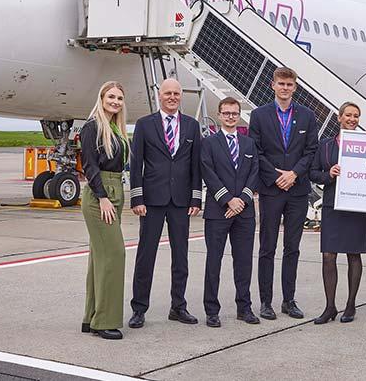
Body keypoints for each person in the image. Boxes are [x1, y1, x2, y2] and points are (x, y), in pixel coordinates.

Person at [128, 78, 202, 328]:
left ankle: (178, 307)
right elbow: (136, 164)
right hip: (152, 200)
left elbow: (195, 166)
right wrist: (137, 197)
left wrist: (196, 197)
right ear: (159, 95)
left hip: (181, 201)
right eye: (168, 93)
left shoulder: (192, 126)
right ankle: (139, 308)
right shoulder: (145, 124)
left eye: (176, 93)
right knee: (145, 255)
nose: (172, 97)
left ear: (181, 96)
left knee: (181, 256)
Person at [249, 67, 319, 320]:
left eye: (289, 84)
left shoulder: (307, 116)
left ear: (295, 87)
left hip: (297, 190)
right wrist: (277, 176)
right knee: (267, 247)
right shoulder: (259, 115)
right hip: (271, 189)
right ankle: (266, 302)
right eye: (281, 83)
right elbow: (256, 151)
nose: (285, 88)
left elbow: (311, 150)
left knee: (292, 247)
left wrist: (294, 174)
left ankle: (289, 300)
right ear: (273, 85)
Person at [200, 97, 261, 328]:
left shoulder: (248, 144)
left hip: (244, 213)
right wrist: (227, 200)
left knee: (244, 261)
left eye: (234, 113)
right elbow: (208, 172)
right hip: (218, 211)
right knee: (213, 261)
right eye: (226, 113)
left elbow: (254, 172)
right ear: (219, 115)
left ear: (239, 115)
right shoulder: (209, 143)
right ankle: (212, 310)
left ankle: (244, 307)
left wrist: (242, 200)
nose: (230, 117)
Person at [309, 102, 366, 324]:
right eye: (348, 115)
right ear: (339, 117)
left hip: (356, 206)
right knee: (328, 255)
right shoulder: (325, 145)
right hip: (333, 205)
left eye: (356, 116)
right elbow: (313, 173)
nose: (352, 119)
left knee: (353, 254)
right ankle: (330, 306)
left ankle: (351, 305)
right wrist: (330, 174)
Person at [79, 81, 129, 340]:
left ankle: (91, 317)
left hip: (115, 190)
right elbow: (89, 165)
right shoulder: (92, 127)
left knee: (99, 258)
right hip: (101, 195)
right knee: (114, 255)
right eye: (111, 97)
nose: (115, 102)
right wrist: (102, 197)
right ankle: (105, 321)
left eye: (119, 98)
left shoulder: (114, 128)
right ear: (101, 98)